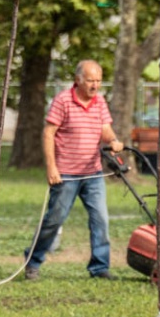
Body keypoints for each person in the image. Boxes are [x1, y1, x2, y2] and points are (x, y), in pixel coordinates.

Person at [25, 60, 125, 280]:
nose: (95, 85)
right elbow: (48, 133)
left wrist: (113, 140)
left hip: (93, 173)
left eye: (98, 81)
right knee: (54, 220)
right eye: (90, 80)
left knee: (100, 219)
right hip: (66, 174)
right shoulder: (62, 100)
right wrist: (51, 167)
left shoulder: (100, 101)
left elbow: (105, 129)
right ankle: (32, 262)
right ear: (77, 80)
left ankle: (99, 267)